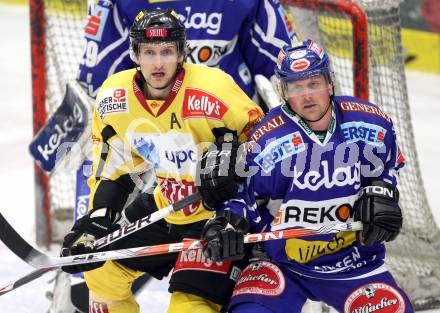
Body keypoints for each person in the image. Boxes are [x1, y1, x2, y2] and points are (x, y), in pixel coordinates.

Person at [60, 9, 264, 313]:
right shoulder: (114, 98)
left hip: (217, 220)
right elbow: (114, 168)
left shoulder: (214, 89)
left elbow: (265, 141)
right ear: (135, 54)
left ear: (182, 53)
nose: (158, 63)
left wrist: (236, 169)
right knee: (100, 273)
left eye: (167, 52)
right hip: (166, 205)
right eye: (149, 52)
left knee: (188, 308)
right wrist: (98, 219)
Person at [201, 39, 415, 312]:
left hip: (354, 262)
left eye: (313, 83)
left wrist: (382, 189)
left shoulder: (370, 122)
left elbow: (388, 166)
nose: (307, 95)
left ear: (330, 83)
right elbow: (243, 195)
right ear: (284, 91)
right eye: (296, 86)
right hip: (282, 264)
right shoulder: (267, 141)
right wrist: (228, 221)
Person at [78, 0, 296, 107]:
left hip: (233, 128)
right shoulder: (119, 3)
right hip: (152, 136)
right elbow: (95, 85)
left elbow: (287, 66)